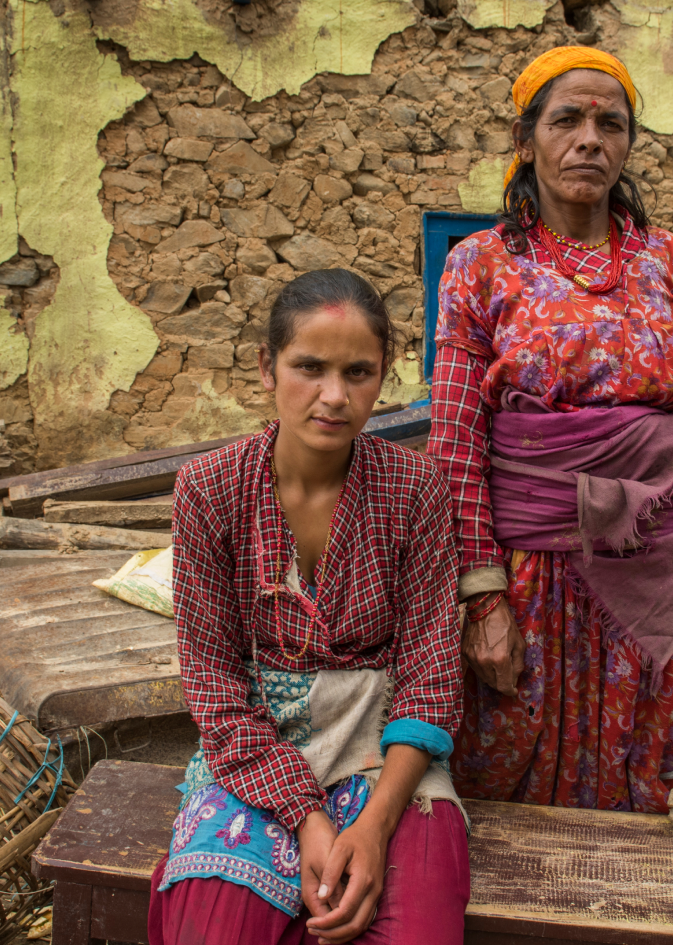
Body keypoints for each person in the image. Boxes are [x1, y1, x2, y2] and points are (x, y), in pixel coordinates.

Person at [431, 47, 673, 815]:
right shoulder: (480, 265)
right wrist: (482, 599)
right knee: (514, 766)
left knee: (650, 766)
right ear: (526, 140)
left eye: (610, 124)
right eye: (566, 120)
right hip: (530, 577)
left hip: (661, 572)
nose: (589, 140)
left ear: (629, 144)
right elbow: (455, 444)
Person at [149, 269, 469, 945]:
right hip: (254, 750)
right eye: (309, 367)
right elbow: (213, 686)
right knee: (214, 928)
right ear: (267, 367)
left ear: (383, 376)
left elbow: (431, 676)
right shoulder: (209, 490)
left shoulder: (415, 488)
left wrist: (375, 826)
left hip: (385, 754)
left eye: (358, 372)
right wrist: (307, 816)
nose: (334, 396)